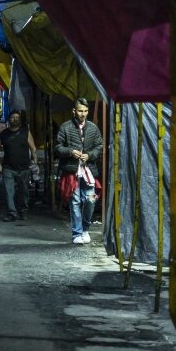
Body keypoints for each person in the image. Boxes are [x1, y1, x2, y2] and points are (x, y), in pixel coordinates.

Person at [56, 97, 103, 244]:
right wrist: (71, 151)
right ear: (74, 111)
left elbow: (99, 146)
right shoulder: (65, 127)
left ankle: (85, 228)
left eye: (85, 111)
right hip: (72, 171)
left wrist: (90, 155)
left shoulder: (93, 128)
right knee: (75, 202)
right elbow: (57, 147)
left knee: (90, 200)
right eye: (80, 111)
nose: (83, 114)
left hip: (89, 170)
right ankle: (77, 233)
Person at [0, 111, 38, 222]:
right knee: (9, 192)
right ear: (9, 120)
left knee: (24, 192)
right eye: (12, 117)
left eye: (17, 117)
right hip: (8, 167)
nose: (15, 119)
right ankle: (11, 213)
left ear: (20, 120)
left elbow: (33, 149)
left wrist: (35, 163)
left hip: (24, 168)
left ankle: (23, 211)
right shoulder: (4, 134)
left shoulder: (25, 132)